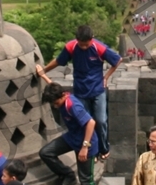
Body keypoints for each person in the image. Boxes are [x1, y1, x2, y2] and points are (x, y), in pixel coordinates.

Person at [40, 24, 120, 159]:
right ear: (76, 40)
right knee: (84, 122)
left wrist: (106, 77)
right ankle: (92, 152)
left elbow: (117, 60)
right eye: (81, 44)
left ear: (92, 39)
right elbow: (59, 61)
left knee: (100, 120)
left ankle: (103, 148)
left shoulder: (98, 47)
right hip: (80, 90)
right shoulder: (71, 47)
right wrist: (44, 70)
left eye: (86, 45)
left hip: (97, 89)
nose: (83, 47)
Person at [39, 81, 100, 185]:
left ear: (62, 96)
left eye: (55, 102)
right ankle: (67, 174)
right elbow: (53, 85)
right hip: (72, 138)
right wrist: (43, 75)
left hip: (86, 144)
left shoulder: (72, 105)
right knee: (46, 152)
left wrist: (85, 147)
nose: (55, 105)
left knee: (87, 181)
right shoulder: (61, 97)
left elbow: (91, 123)